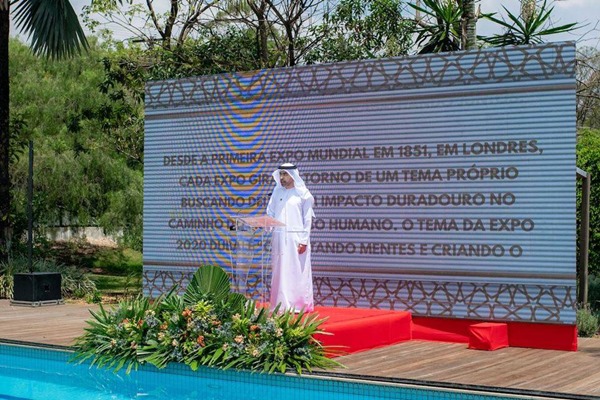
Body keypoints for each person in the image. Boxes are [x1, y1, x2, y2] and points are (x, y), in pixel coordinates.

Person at [266, 163, 315, 312]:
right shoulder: (277, 192)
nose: (282, 178)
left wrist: (303, 240)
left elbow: (307, 219)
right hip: (279, 238)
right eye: (280, 174)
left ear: (293, 176)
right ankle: (280, 305)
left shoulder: (303, 194)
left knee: (296, 272)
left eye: (285, 174)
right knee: (280, 272)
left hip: (296, 239)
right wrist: (266, 225)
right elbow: (271, 213)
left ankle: (298, 305)